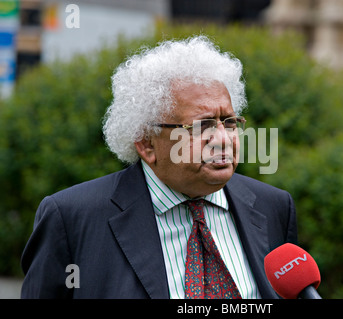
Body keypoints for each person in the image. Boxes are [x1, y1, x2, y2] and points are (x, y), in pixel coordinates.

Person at [20, 36, 298, 299]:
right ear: (147, 144)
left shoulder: (273, 207)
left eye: (229, 122)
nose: (223, 140)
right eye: (202, 126)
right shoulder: (72, 218)